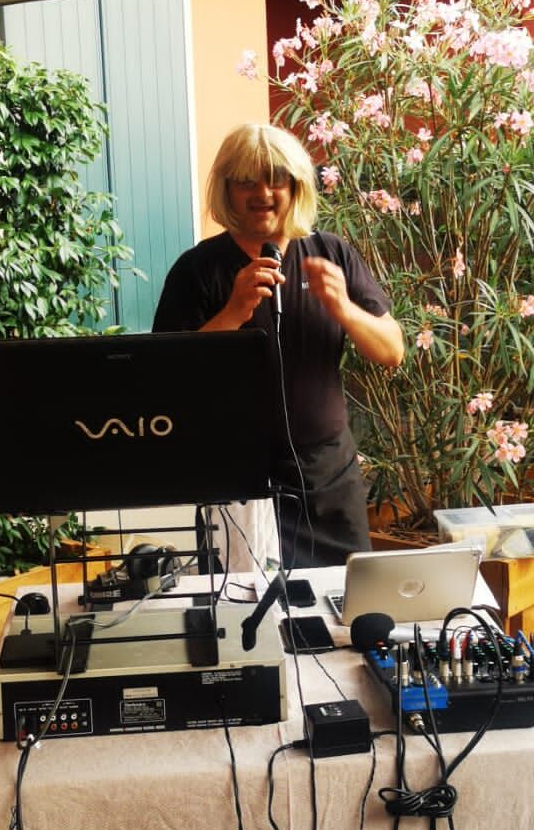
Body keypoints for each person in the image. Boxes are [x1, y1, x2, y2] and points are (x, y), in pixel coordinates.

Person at [153, 122, 404, 568]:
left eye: (276, 180)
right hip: (236, 480)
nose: (262, 193)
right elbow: (166, 375)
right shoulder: (197, 269)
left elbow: (392, 351)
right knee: (241, 605)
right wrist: (233, 312)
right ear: (227, 189)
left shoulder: (332, 253)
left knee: (346, 599)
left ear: (296, 186)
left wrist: (343, 308)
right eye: (246, 181)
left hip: (328, 475)